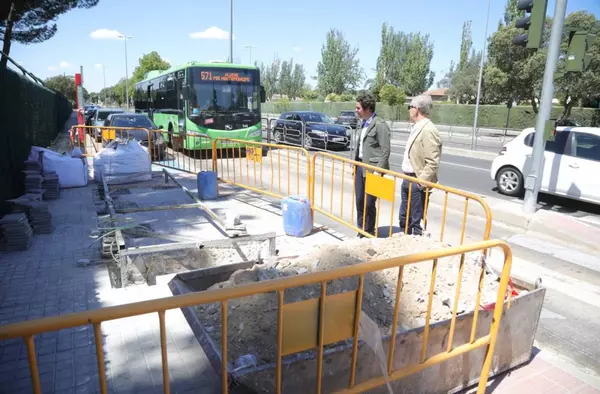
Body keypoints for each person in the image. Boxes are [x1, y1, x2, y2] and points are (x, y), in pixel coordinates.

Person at [399, 95, 442, 235]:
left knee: (415, 222)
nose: (408, 110)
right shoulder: (416, 127)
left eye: (409, 107)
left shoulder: (428, 129)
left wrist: (420, 182)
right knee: (404, 218)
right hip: (408, 178)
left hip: (417, 181)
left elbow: (432, 161)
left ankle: (414, 252)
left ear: (416, 109)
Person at [354, 92, 391, 237]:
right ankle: (360, 230)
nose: (356, 110)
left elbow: (385, 150)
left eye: (358, 108)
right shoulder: (362, 124)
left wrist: (378, 170)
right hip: (360, 168)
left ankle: (368, 231)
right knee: (359, 200)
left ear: (367, 108)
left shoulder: (380, 125)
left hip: (373, 170)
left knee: (369, 203)